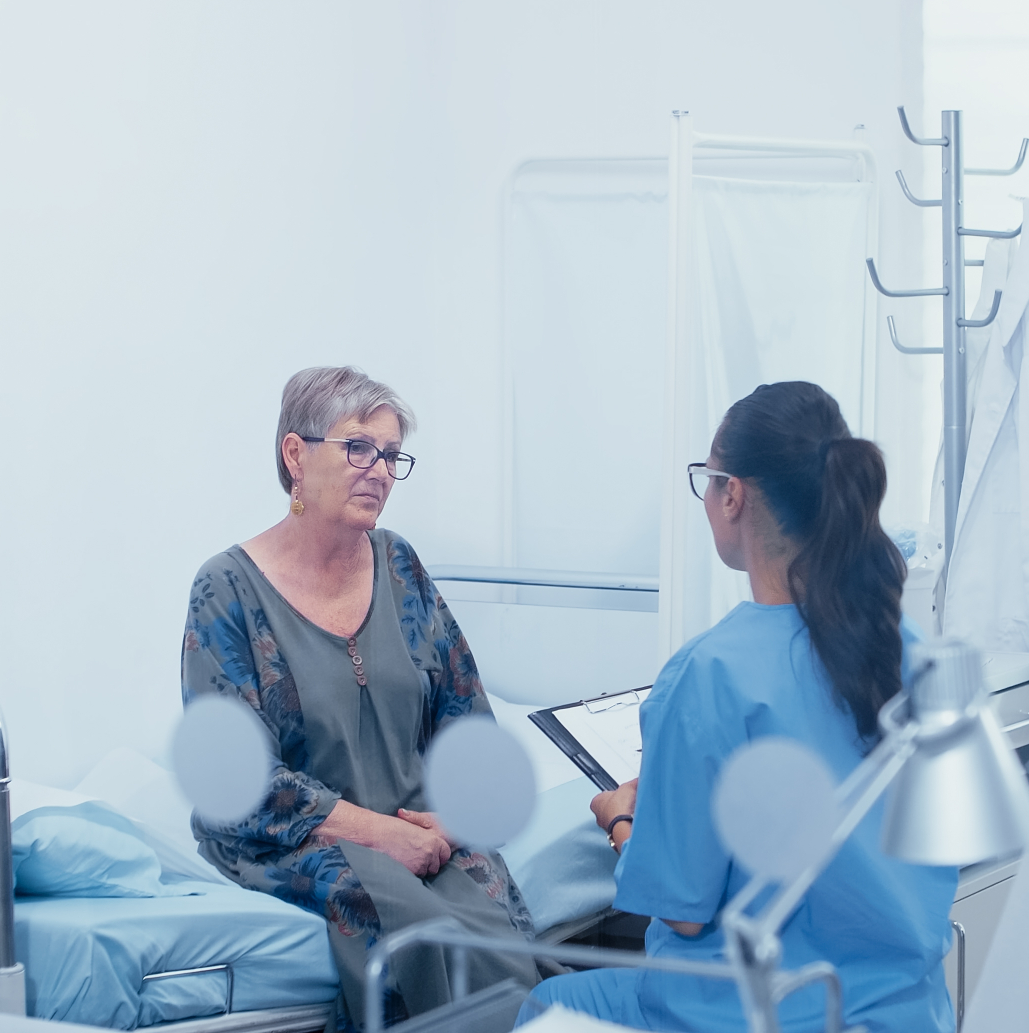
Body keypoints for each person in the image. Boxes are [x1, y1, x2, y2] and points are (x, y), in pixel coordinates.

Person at [520, 381, 958, 1032]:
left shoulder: (708, 675)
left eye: (706, 479)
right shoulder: (910, 648)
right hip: (906, 1013)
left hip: (757, 1015)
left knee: (546, 1004)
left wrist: (621, 820)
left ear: (731, 495)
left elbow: (682, 912)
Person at [181, 366, 542, 1029]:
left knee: (495, 918)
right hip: (291, 838)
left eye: (391, 455)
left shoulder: (399, 566)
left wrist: (452, 821)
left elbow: (466, 719)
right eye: (358, 448)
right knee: (411, 928)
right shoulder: (227, 588)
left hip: (415, 825)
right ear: (296, 454)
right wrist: (378, 832)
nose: (379, 470)